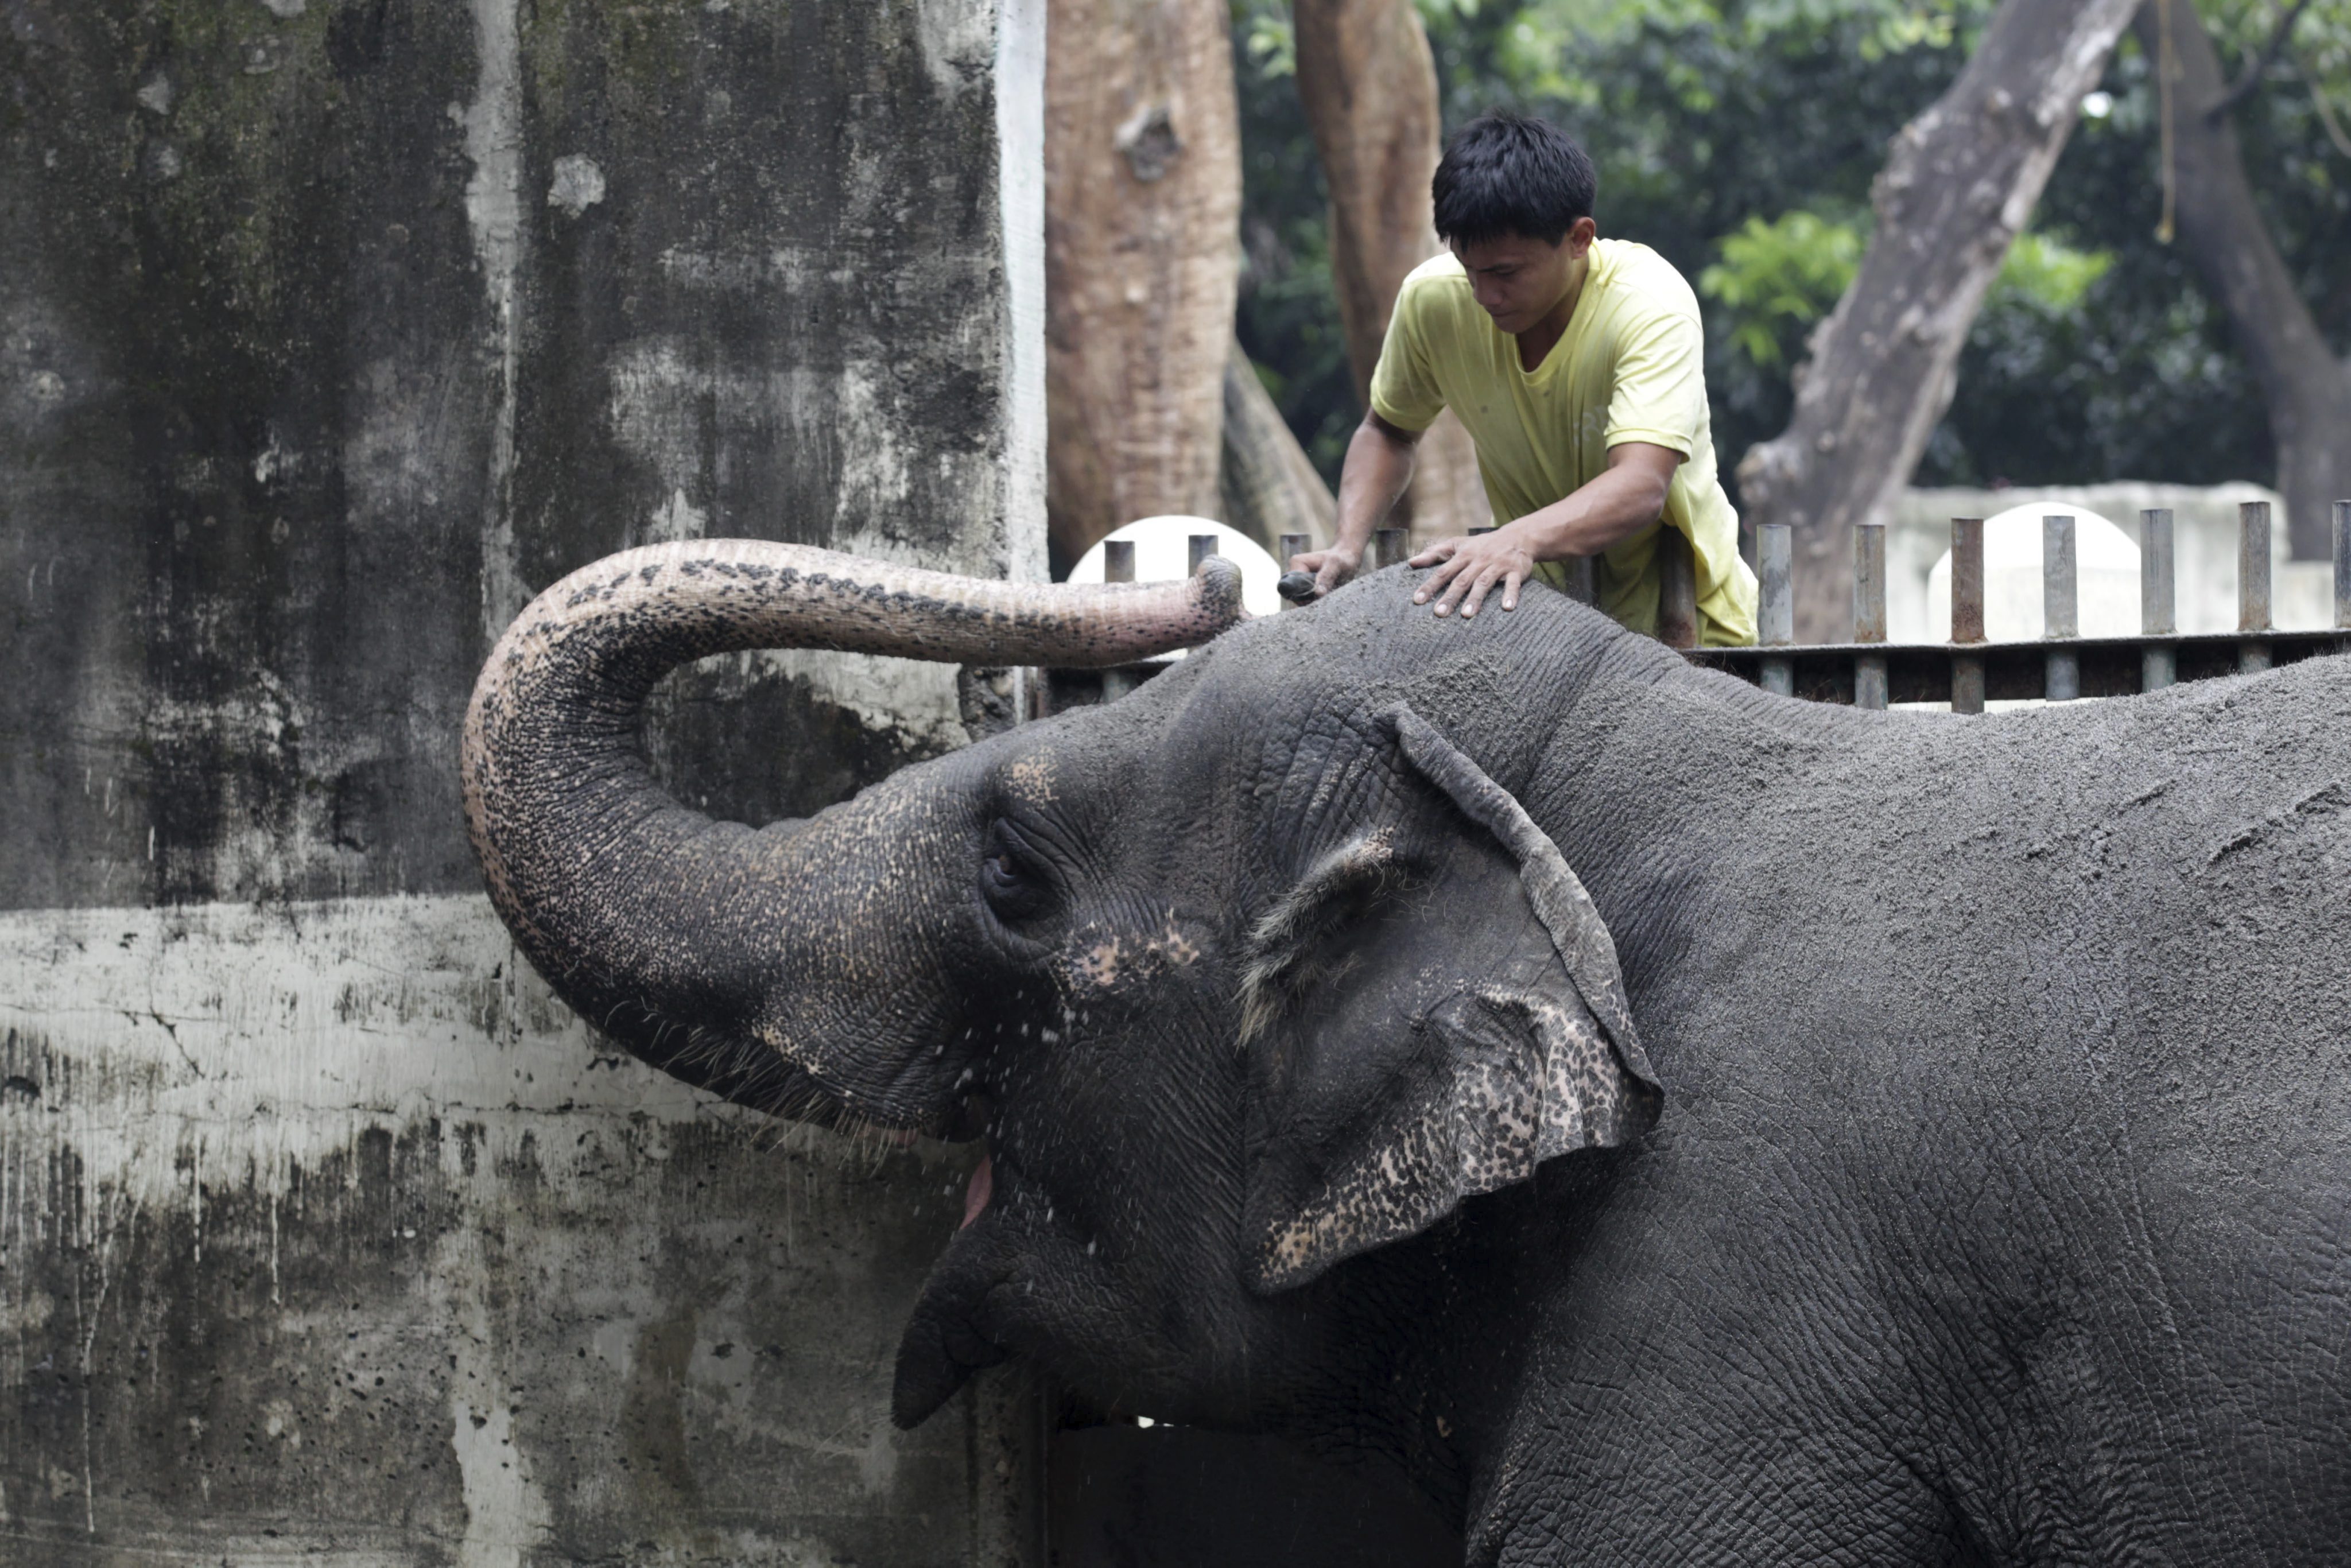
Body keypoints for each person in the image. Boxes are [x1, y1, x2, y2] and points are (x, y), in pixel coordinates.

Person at [1291, 111, 1757, 646]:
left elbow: (1641, 486)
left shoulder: (1649, 306)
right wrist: (1348, 546)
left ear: (1579, 238)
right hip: (1548, 639)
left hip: (1691, 634)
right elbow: (1389, 430)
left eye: (1506, 273)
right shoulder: (1432, 300)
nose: (1485, 295)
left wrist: (1514, 540)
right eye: (1470, 270)